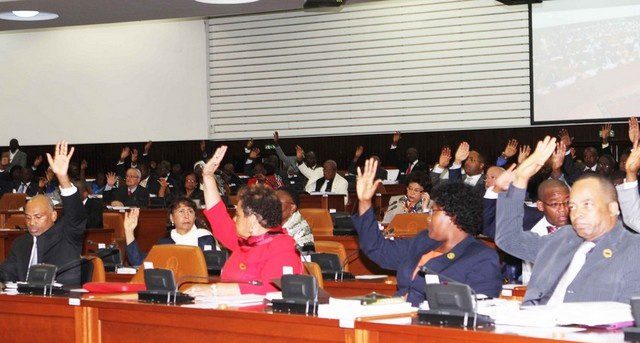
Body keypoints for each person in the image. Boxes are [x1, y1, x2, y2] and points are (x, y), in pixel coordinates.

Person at [495, 136, 640, 305]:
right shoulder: (563, 237)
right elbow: (508, 239)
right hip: (534, 322)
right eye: (573, 206)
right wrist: (520, 180)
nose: (577, 213)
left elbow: (630, 316)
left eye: (587, 204)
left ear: (613, 208)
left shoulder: (632, 249)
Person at [352, 158, 502, 307]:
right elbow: (377, 248)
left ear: (452, 216)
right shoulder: (423, 241)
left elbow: (479, 310)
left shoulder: (481, 257)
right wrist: (365, 202)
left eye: (433, 211)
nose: (428, 218)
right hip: (396, 317)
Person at [186, 146, 302, 296]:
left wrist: (215, 289)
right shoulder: (244, 241)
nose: (234, 218)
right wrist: (207, 176)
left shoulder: (283, 247)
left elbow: (270, 289)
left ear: (253, 220)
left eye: (238, 215)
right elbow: (218, 216)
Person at [0, 141, 87, 286]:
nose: (31, 223)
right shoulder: (21, 244)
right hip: (26, 303)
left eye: (38, 217)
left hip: (61, 301)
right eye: (28, 218)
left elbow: (76, 215)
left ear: (53, 216)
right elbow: (6, 272)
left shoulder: (67, 236)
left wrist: (63, 178)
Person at [124, 197, 215, 266]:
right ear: (171, 218)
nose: (186, 215)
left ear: (195, 217)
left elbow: (211, 267)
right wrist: (129, 231)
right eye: (181, 211)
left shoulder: (204, 238)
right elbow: (138, 262)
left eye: (190, 211)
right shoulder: (165, 242)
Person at [276, 189, 315, 253]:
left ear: (292, 208)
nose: (272, 207)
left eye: (278, 203)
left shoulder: (303, 230)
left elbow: (306, 257)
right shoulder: (265, 222)